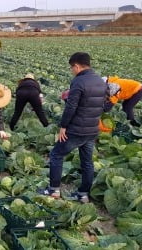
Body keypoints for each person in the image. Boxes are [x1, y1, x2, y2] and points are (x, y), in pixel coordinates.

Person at [37, 52, 107, 203]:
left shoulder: (78, 82)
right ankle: (83, 194)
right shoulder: (100, 81)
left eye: (71, 68)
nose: (71, 71)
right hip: (92, 129)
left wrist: (63, 126)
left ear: (76, 66)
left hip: (76, 129)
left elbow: (71, 107)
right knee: (87, 162)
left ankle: (53, 190)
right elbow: (103, 105)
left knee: (56, 154)